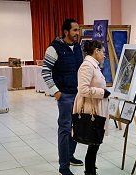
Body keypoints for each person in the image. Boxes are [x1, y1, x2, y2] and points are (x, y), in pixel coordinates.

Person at [42, 19, 83, 175]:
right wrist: (56, 92)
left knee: (77, 127)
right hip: (65, 95)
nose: (77, 33)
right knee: (65, 129)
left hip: (79, 93)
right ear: (66, 32)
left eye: (78, 30)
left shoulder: (78, 47)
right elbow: (45, 72)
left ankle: (70, 155)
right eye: (74, 30)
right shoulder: (54, 48)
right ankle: (63, 166)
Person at [73, 40, 111, 175]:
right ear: (96, 51)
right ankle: (89, 170)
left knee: (95, 141)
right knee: (94, 139)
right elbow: (82, 89)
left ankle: (90, 168)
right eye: (103, 52)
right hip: (90, 108)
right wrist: (102, 93)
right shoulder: (87, 66)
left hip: (95, 105)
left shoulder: (93, 65)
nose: (104, 55)